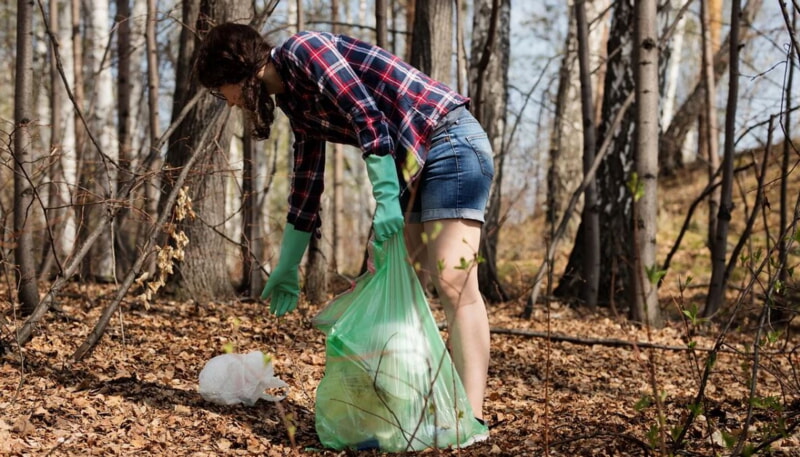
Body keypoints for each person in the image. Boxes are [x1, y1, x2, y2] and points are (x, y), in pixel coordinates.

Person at [194, 22, 494, 429]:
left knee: (455, 285)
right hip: (412, 163)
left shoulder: (306, 49)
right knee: (396, 284)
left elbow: (365, 114)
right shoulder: (294, 102)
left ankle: (470, 418)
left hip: (448, 140)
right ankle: (406, 410)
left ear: (235, 72)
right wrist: (287, 266)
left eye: (220, 91)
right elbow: (306, 184)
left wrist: (387, 199)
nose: (227, 103)